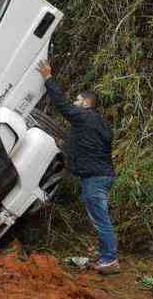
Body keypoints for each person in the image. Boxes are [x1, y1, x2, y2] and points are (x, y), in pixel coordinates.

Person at [37, 59, 119, 275]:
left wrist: (48, 78)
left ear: (86, 103)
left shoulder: (84, 117)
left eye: (77, 99)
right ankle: (105, 254)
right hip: (101, 176)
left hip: (95, 178)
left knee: (100, 219)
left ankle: (110, 259)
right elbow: (85, 144)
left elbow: (62, 104)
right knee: (99, 217)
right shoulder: (96, 123)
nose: (74, 102)